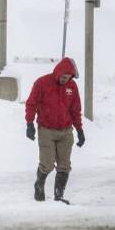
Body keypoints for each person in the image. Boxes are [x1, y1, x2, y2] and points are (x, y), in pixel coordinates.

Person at [25, 57, 85, 203]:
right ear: (58, 72)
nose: (66, 80)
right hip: (46, 130)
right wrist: (30, 124)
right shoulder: (42, 83)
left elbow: (75, 110)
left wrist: (79, 130)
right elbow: (31, 104)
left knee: (64, 166)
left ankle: (59, 196)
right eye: (64, 77)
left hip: (65, 131)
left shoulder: (72, 87)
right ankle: (39, 185)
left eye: (68, 77)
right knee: (47, 164)